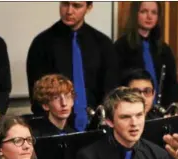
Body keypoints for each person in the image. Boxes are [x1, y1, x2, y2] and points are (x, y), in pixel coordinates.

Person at [27, 1, 119, 131]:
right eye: (65, 4)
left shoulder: (103, 44)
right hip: (55, 129)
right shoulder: (41, 44)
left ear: (89, 7)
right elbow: (37, 97)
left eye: (76, 6)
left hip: (96, 127)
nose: (69, 11)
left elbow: (110, 90)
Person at [114, 1, 178, 108]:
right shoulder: (121, 47)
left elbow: (172, 85)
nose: (149, 16)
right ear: (135, 14)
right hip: (131, 108)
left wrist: (169, 109)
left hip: (159, 111)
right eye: (144, 11)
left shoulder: (164, 49)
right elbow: (117, 83)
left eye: (154, 12)